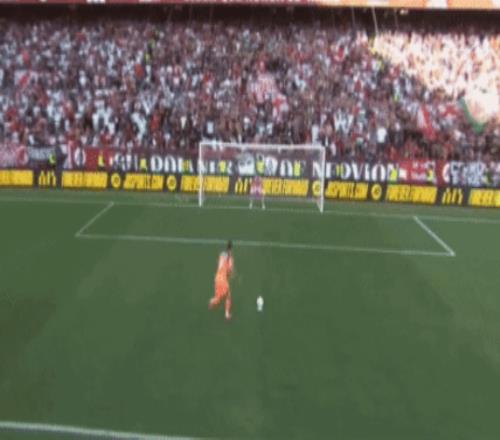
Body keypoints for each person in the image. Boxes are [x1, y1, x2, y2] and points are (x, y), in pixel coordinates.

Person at [209, 240, 234, 320]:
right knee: (228, 296)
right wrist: (231, 274)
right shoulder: (230, 259)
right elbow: (229, 271)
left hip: (217, 278)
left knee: (218, 297)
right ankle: (227, 314)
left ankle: (212, 302)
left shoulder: (222, 254)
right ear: (231, 249)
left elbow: (221, 262)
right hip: (223, 280)